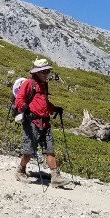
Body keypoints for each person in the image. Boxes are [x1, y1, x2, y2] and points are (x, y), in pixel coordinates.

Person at [14, 58, 73, 188]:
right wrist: (24, 107)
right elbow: (19, 99)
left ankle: (56, 177)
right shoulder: (29, 83)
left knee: (50, 150)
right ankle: (20, 170)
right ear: (37, 72)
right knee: (29, 151)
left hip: (45, 123)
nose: (47, 74)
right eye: (44, 71)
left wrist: (54, 108)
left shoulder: (44, 85)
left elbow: (44, 102)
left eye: (47, 71)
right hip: (32, 122)